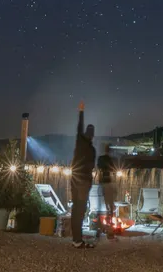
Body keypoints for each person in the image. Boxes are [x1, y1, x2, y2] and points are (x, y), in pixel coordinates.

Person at [70, 100, 96, 249]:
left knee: (76, 209)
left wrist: (81, 111)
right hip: (83, 182)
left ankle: (76, 239)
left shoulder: (80, 141)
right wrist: (81, 112)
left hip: (75, 179)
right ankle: (78, 240)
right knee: (80, 210)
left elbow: (79, 127)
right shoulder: (91, 149)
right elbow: (92, 166)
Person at [95, 142, 117, 240]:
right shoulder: (109, 160)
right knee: (109, 208)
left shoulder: (101, 159)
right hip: (106, 183)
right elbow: (113, 169)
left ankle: (101, 230)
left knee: (103, 207)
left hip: (102, 183)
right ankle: (108, 230)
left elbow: (99, 168)